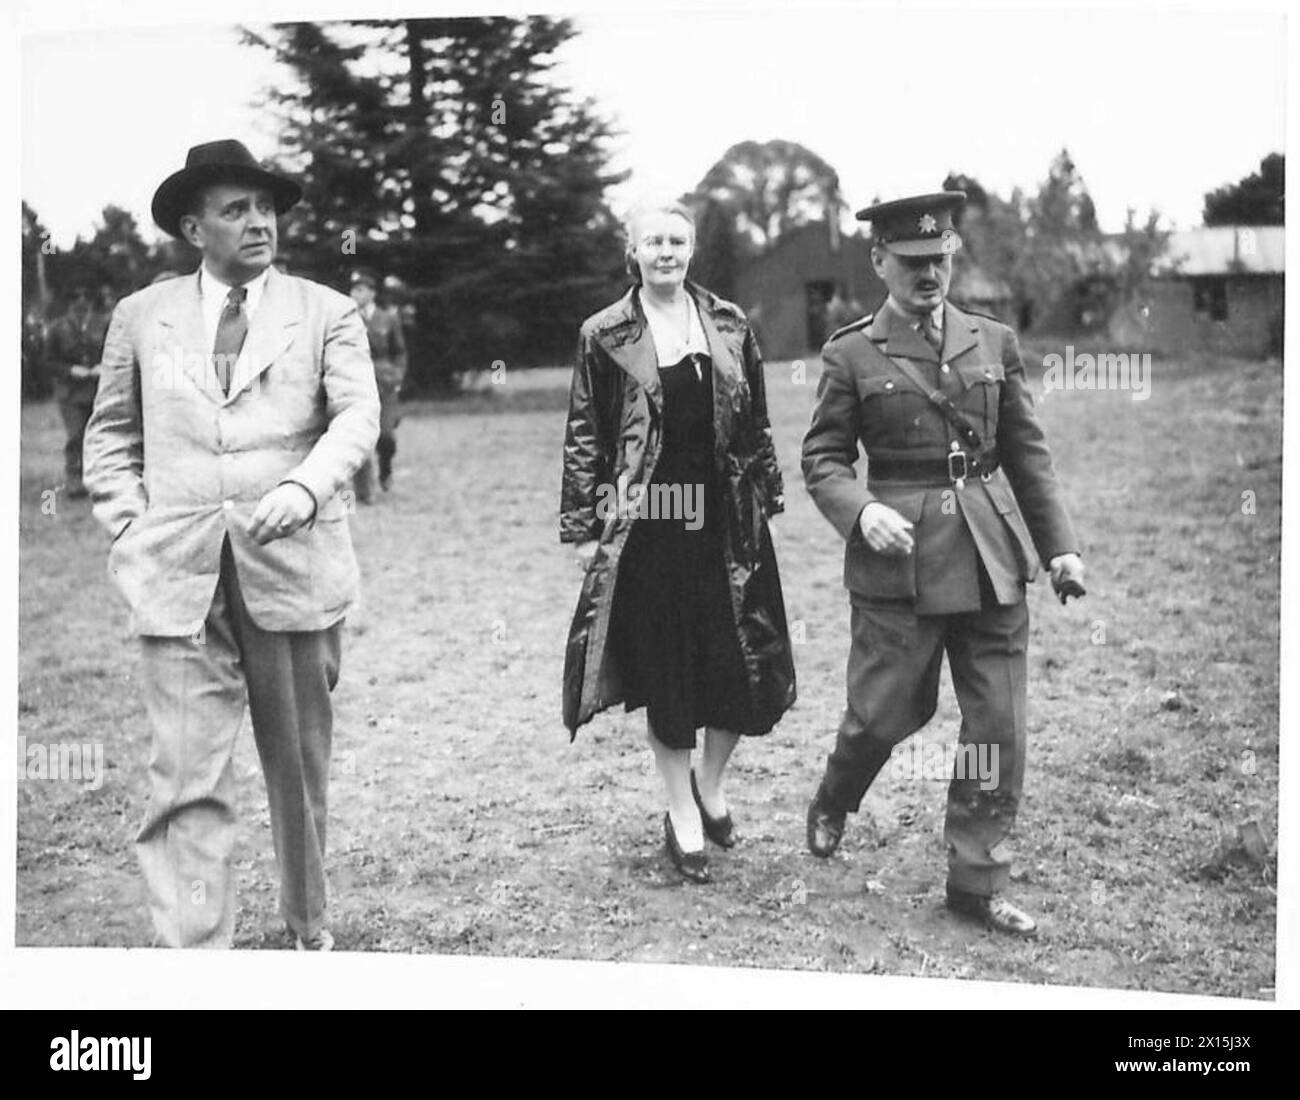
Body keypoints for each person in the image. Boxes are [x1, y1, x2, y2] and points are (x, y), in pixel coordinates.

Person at [83, 139, 380, 949]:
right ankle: (196, 964)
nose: (259, 223)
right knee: (185, 780)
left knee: (298, 775)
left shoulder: (327, 311)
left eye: (266, 207)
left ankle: (307, 930)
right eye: (235, 210)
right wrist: (130, 526)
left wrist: (304, 486)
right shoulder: (141, 316)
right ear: (192, 227)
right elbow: (109, 434)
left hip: (292, 570)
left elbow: (357, 418)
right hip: (177, 579)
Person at [801, 191, 1086, 936]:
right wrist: (862, 512)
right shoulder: (850, 352)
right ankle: (837, 792)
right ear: (879, 261)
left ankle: (975, 878)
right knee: (885, 713)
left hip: (990, 555)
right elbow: (824, 459)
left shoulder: (993, 340)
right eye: (912, 262)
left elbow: (1026, 452)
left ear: (953, 254)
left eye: (940, 259)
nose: (929, 275)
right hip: (900, 561)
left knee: (998, 726)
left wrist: (1059, 547)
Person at [560, 200, 796, 884]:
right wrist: (584, 526)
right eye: (652, 241)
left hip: (727, 523)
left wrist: (769, 497)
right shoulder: (603, 334)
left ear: (692, 251)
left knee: (739, 665)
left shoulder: (727, 322)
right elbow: (584, 434)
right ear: (631, 252)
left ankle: (711, 786)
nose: (665, 251)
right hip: (651, 529)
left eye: (677, 241)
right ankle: (681, 816)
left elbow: (756, 419)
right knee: (667, 675)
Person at [45, 281, 110, 498]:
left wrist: (104, 365)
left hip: (98, 390)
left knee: (98, 436)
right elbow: (47, 362)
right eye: (75, 299)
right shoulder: (57, 329)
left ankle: (98, 480)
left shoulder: (104, 325)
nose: (81, 303)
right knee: (75, 435)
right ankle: (74, 479)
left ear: (92, 302)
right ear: (69, 303)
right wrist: (71, 370)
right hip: (70, 392)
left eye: (85, 299)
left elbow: (115, 350)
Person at [349, 267, 408, 502]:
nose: (355, 294)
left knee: (386, 437)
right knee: (359, 437)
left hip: (384, 384)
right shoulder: (346, 317)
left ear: (372, 293)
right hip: (356, 384)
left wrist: (398, 376)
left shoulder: (388, 318)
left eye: (360, 289)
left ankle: (385, 469)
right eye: (353, 289)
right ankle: (365, 491)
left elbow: (400, 351)